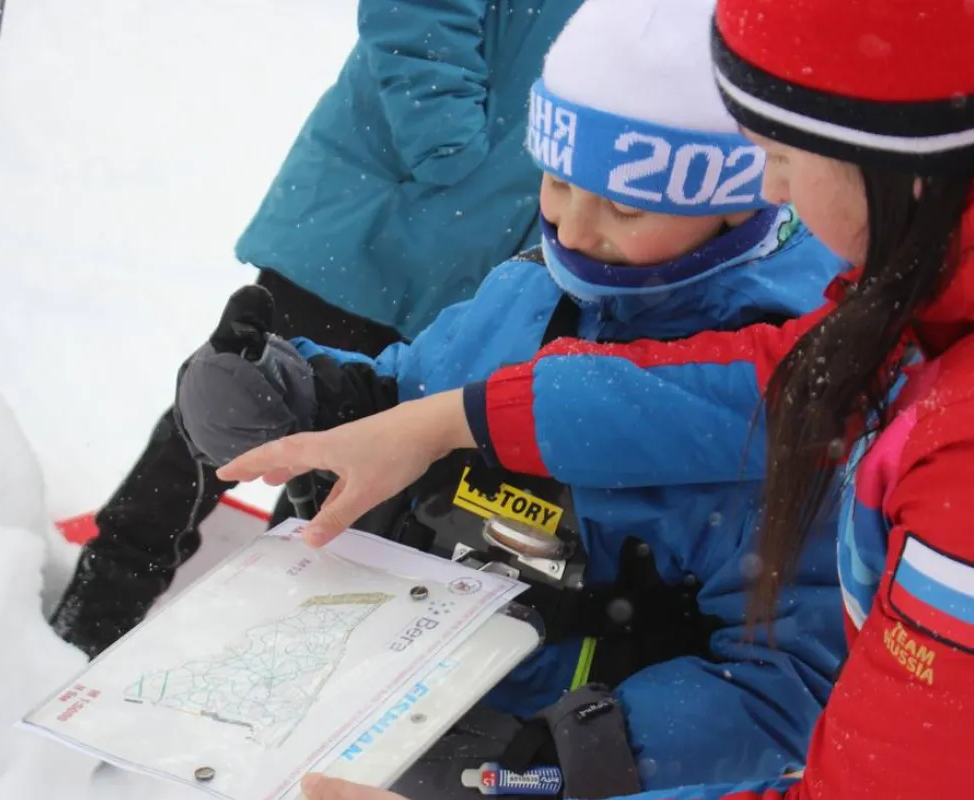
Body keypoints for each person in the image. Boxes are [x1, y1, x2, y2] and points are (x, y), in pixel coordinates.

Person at [221, 0, 974, 797]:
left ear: (894, 159)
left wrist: (544, 773)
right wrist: (424, 411)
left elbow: (864, 776)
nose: (771, 193)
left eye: (781, 153)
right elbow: (790, 377)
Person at [176, 0, 846, 794]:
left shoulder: (788, 390)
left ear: (737, 200)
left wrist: (554, 758)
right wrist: (287, 394)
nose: (574, 230)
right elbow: (405, 390)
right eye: (558, 182)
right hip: (382, 721)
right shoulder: (532, 290)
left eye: (626, 206)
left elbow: (779, 684)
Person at [48, 0, 582, 659]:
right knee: (233, 406)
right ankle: (88, 625)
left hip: (477, 270)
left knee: (346, 477)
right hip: (376, 217)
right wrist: (445, 142)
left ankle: (251, 668)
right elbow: (417, 11)